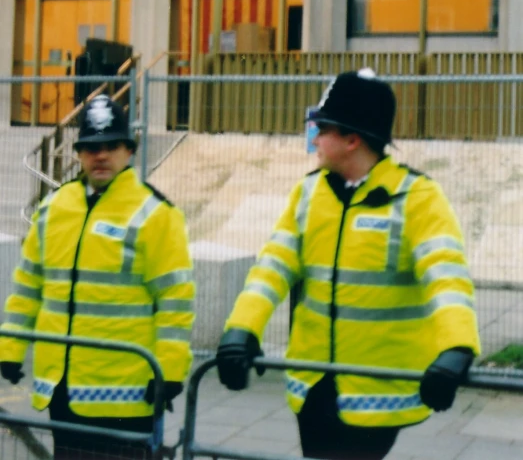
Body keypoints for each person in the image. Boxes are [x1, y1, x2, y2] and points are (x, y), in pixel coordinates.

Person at [216, 69, 481, 460]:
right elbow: (272, 267)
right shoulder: (309, 193)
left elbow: (446, 276)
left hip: (377, 393)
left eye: (322, 129)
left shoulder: (417, 197)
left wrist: (457, 347)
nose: (314, 138)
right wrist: (241, 329)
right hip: (313, 386)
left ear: (351, 140)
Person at [0, 94, 195, 460]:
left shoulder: (156, 214)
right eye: (91, 147)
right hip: (62, 392)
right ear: (78, 153)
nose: (100, 155)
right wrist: (10, 348)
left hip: (126, 396)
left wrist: (170, 370)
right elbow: (28, 287)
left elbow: (175, 301)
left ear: (129, 151)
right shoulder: (54, 207)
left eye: (111, 146)